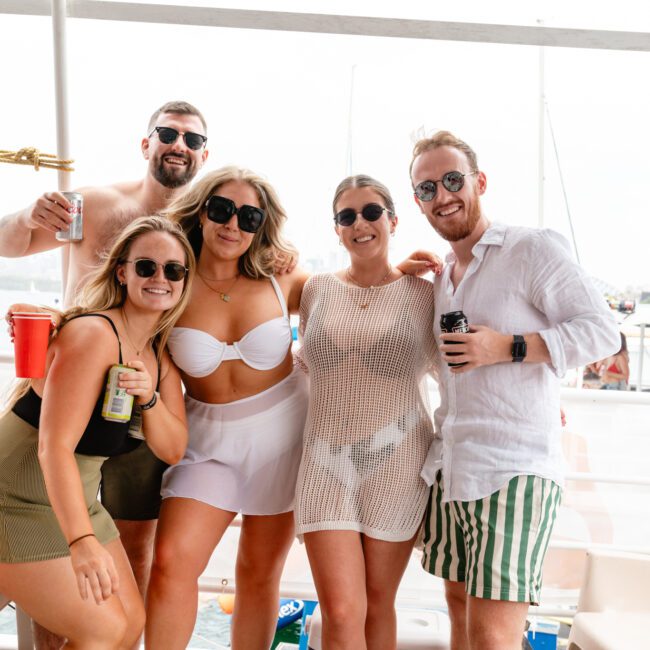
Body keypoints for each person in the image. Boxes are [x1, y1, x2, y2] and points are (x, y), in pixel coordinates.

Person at [0, 100, 208, 648]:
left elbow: (172, 446)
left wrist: (149, 399)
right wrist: (25, 217)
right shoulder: (91, 206)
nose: (160, 277)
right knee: (101, 622)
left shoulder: (158, 352)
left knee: (126, 619)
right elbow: (8, 241)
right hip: (34, 462)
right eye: (145, 267)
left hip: (97, 450)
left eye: (172, 270)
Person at [408, 131, 620, 650]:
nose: (443, 195)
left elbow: (601, 331)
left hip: (515, 468)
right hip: (454, 466)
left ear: (479, 182)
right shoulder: (443, 277)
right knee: (457, 608)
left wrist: (510, 348)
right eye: (427, 188)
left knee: (492, 634)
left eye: (452, 180)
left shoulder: (530, 248)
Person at [145, 166, 310, 649]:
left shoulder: (284, 279)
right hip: (207, 443)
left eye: (249, 215)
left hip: (285, 438)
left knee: (259, 575)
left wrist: (401, 271)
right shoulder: (170, 281)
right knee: (172, 561)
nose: (232, 223)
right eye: (221, 209)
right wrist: (58, 318)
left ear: (262, 225)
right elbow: (113, 312)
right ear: (199, 211)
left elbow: (355, 295)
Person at [294, 175, 442, 649]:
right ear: (337, 229)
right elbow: (306, 366)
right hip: (323, 461)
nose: (360, 223)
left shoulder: (424, 295)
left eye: (372, 212)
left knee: (378, 602)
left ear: (393, 220)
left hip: (398, 460)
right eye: (347, 216)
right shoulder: (316, 290)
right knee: (341, 610)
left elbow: (452, 371)